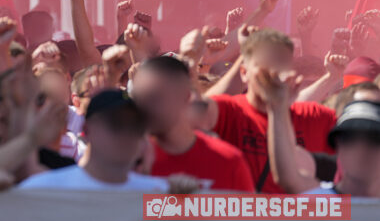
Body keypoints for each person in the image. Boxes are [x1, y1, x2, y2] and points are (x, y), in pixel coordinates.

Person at [201, 28, 335, 192]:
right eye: (265, 66)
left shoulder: (313, 116)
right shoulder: (228, 111)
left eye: (281, 65)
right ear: (244, 72)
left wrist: (332, 77)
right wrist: (198, 61)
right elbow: (192, 111)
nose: (274, 73)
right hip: (237, 216)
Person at [131, 55, 254, 191]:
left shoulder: (228, 161)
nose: (142, 107)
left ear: (186, 97)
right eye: (137, 99)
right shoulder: (126, 161)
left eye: (154, 98)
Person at [255, 67, 380, 197]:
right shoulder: (321, 201)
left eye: (374, 137)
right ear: (337, 144)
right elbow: (287, 177)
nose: (361, 147)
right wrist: (277, 109)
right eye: (348, 137)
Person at [19, 90, 169, 191]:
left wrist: (187, 194)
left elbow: (189, 219)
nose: (126, 133)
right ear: (87, 130)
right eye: (115, 124)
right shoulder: (47, 189)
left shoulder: (157, 193)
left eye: (135, 125)